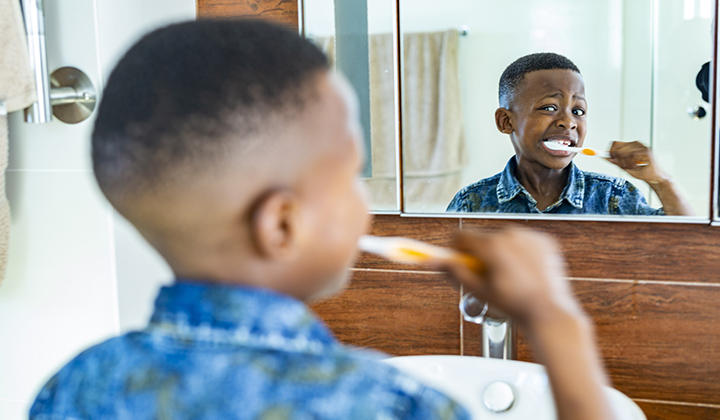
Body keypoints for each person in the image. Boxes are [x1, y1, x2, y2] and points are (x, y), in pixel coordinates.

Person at [29, 21, 613, 420]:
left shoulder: (75, 385)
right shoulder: (381, 402)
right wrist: (557, 324)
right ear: (281, 225)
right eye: (351, 174)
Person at [447, 52, 694, 216]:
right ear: (505, 121)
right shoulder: (472, 203)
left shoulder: (612, 198)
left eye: (578, 110)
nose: (568, 121)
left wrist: (661, 181)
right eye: (549, 108)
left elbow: (688, 250)